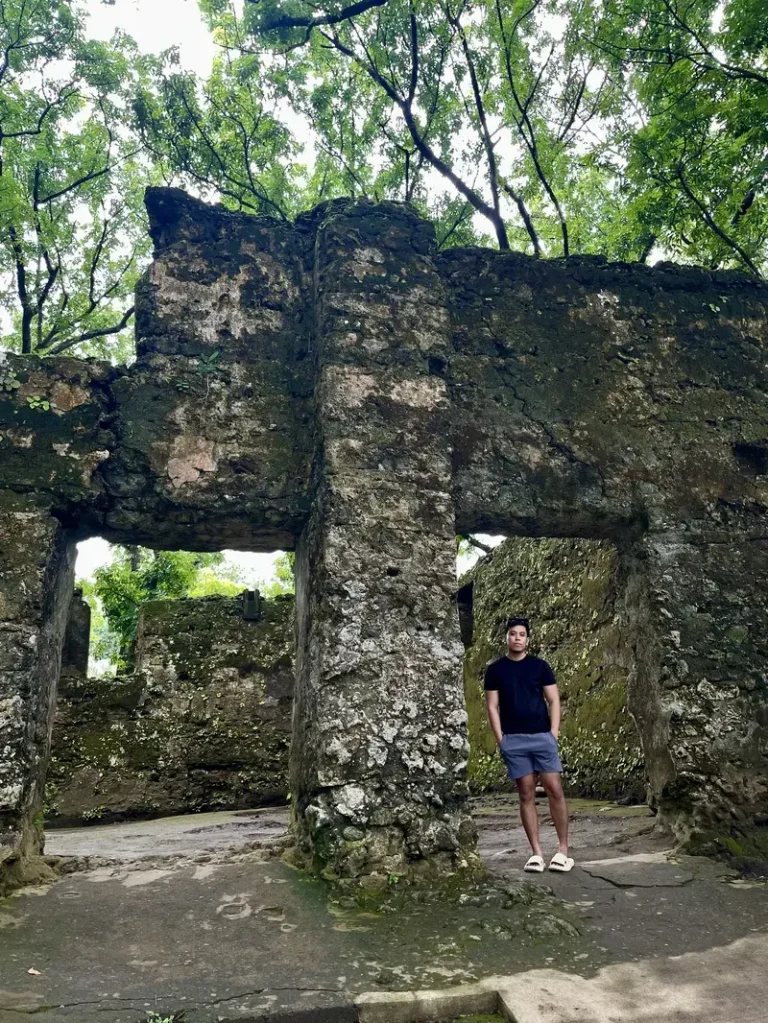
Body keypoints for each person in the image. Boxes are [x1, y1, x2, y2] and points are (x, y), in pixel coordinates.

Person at [484, 616, 574, 873]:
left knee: (555, 788)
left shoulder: (540, 667)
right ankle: (536, 853)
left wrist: (553, 733)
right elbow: (492, 706)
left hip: (542, 737)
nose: (517, 638)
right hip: (514, 740)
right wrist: (501, 739)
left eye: (521, 634)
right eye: (513, 633)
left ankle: (563, 850)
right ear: (507, 637)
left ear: (527, 639)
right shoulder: (496, 670)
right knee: (526, 793)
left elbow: (554, 700)